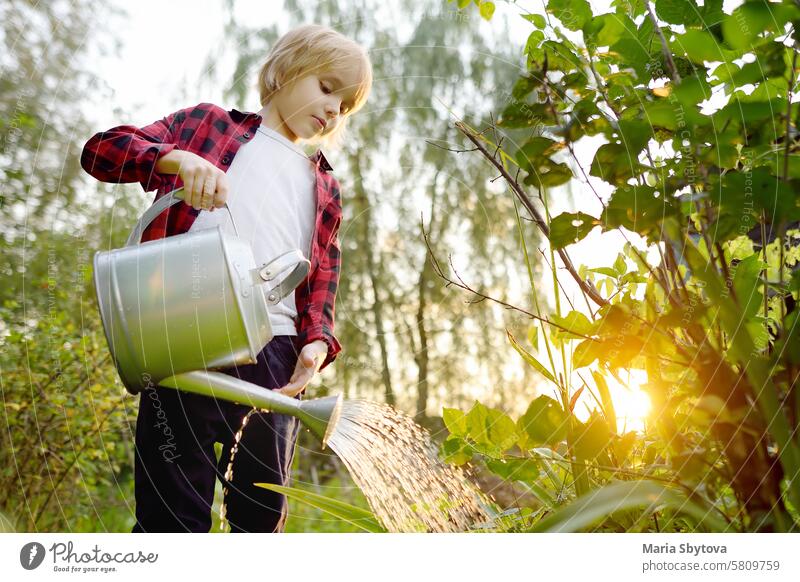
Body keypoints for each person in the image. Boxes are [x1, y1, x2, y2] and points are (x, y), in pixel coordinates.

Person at [80, 23, 372, 532]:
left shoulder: (324, 185)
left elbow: (324, 272)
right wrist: (174, 158)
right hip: (180, 336)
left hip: (276, 355)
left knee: (260, 518)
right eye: (327, 88)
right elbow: (101, 152)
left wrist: (317, 343)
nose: (332, 110)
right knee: (172, 515)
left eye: (344, 107)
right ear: (284, 71)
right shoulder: (205, 126)